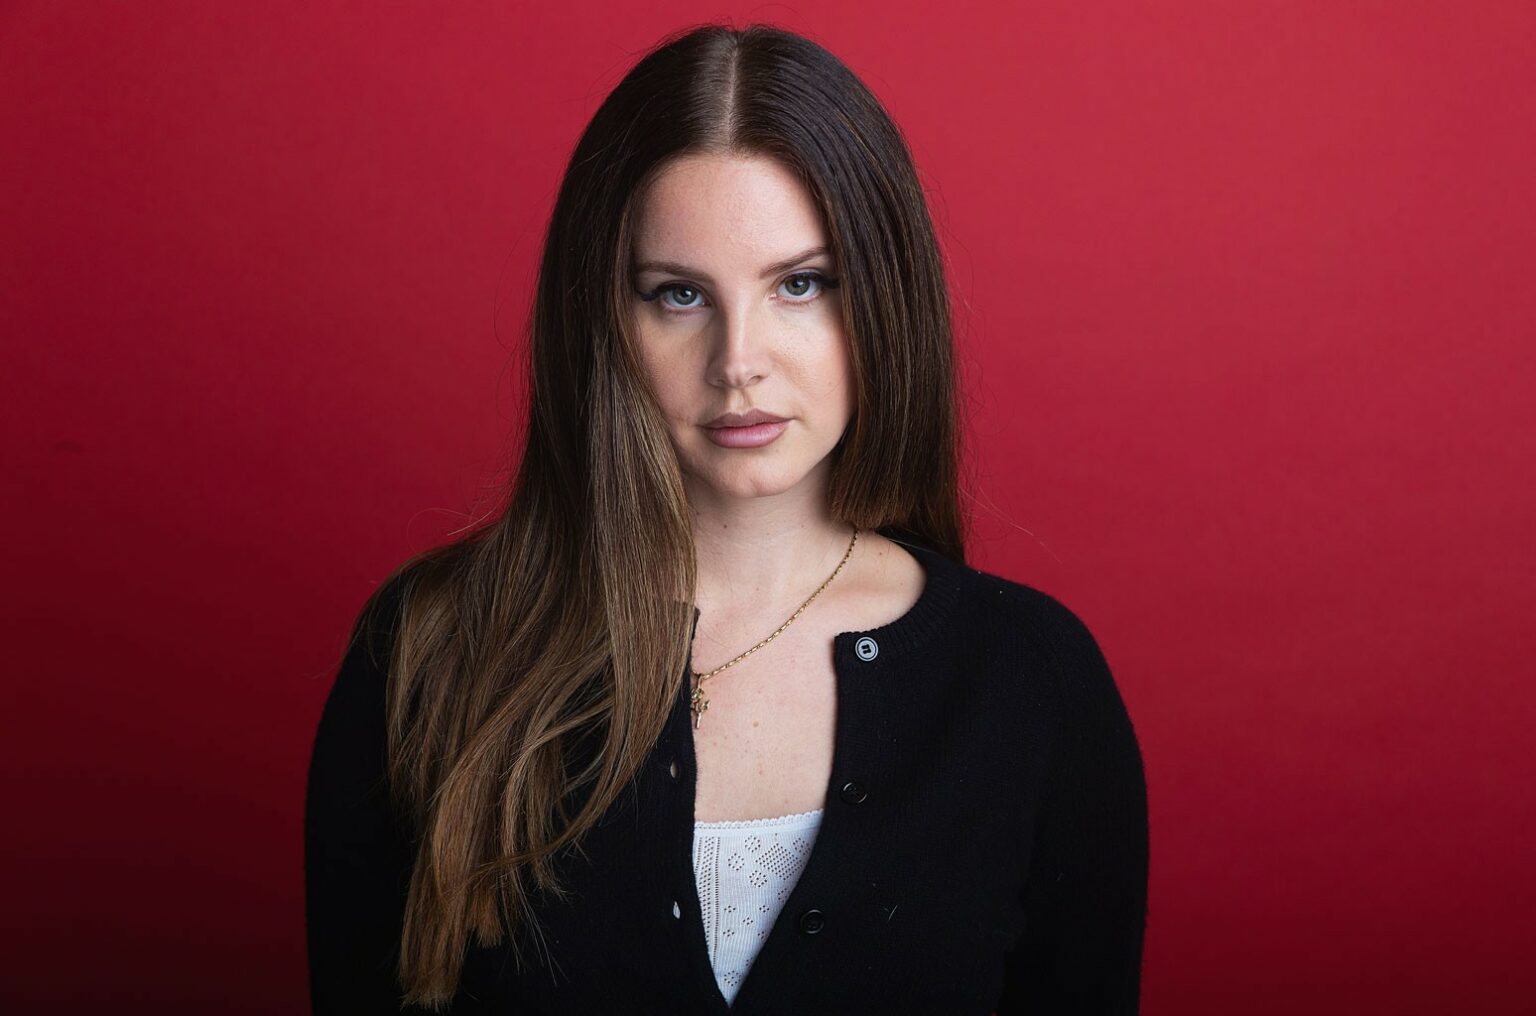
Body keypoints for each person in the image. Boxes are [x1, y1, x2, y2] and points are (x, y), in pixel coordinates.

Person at [305, 21, 1148, 1015]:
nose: (738, 361)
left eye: (801, 283)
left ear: (886, 298)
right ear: (603, 320)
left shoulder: (1034, 682)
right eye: (679, 295)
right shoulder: (429, 650)